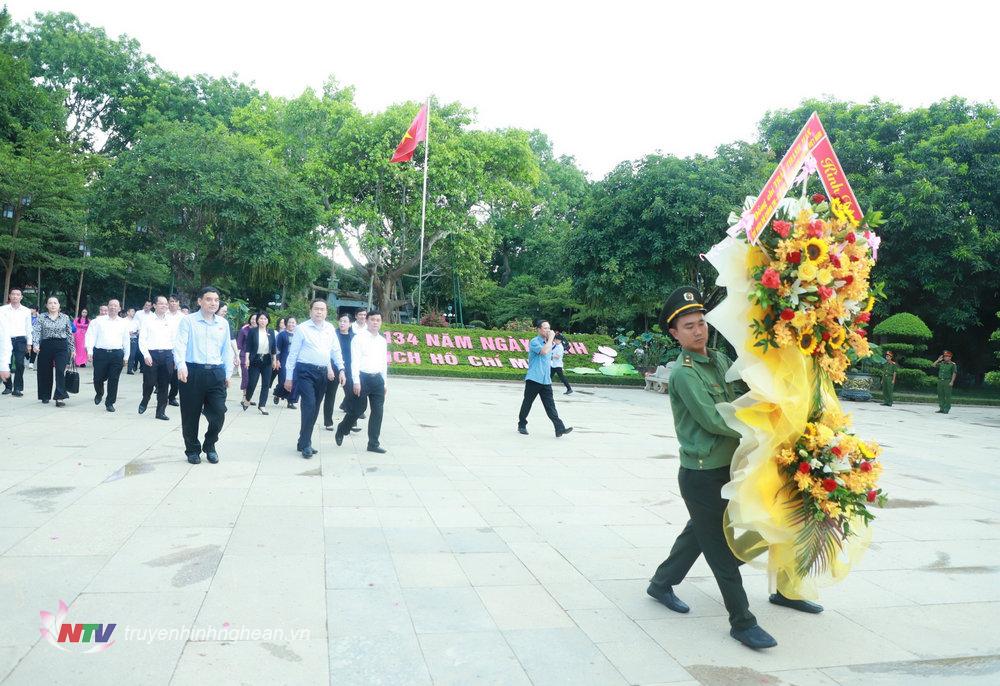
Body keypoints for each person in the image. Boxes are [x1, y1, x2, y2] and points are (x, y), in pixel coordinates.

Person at [646, 287, 821, 651]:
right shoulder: (684, 373)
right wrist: (764, 426)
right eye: (689, 326)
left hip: (734, 466)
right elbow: (715, 420)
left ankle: (661, 583)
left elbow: (747, 389)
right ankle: (742, 622)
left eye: (701, 323)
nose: (698, 331)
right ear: (675, 334)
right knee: (719, 549)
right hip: (701, 475)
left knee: (711, 530)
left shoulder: (721, 360)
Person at [174, 286, 232, 465]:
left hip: (216, 373)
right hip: (193, 372)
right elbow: (180, 345)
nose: (213, 303)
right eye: (208, 299)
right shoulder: (188, 321)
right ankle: (192, 449)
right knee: (190, 415)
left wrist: (228, 373)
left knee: (219, 412)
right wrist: (181, 365)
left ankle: (210, 444)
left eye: (216, 300)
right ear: (200, 301)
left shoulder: (223, 323)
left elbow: (226, 350)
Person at [285, 300, 344, 458]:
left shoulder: (330, 328)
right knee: (309, 406)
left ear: (326, 312)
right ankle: (306, 444)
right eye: (316, 309)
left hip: (322, 373)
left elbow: (335, 351)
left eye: (322, 309)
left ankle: (302, 441)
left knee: (316, 408)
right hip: (305, 372)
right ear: (310, 311)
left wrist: (342, 369)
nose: (319, 312)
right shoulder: (302, 328)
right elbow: (293, 354)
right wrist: (288, 378)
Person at [336, 309, 389, 453]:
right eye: (372, 320)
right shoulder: (358, 338)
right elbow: (355, 362)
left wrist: (384, 383)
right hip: (362, 378)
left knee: (378, 412)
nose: (375, 323)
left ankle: (373, 444)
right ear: (367, 321)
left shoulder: (382, 341)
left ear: (381, 322)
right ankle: (342, 428)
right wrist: (356, 381)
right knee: (358, 409)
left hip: (377, 379)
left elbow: (384, 363)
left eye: (378, 320)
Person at [517, 320, 572, 437]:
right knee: (527, 403)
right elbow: (544, 351)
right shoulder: (534, 342)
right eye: (545, 328)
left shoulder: (549, 342)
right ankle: (522, 424)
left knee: (550, 405)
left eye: (549, 328)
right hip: (534, 378)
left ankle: (559, 428)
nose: (548, 330)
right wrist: (551, 339)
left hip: (546, 380)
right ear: (539, 329)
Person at [85, 299, 130, 412]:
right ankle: (99, 392)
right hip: (101, 353)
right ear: (107, 307)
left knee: (114, 379)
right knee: (98, 378)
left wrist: (126, 357)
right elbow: (90, 336)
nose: (113, 307)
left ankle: (110, 402)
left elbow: (126, 340)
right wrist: (89, 351)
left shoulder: (123, 323)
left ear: (119, 309)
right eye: (111, 305)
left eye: (116, 306)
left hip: (117, 354)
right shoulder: (98, 321)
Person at [32, 296, 74, 407]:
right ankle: (45, 395)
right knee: (44, 371)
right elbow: (36, 331)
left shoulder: (65, 317)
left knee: (60, 370)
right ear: (46, 305)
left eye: (55, 303)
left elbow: (70, 334)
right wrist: (35, 344)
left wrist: (72, 349)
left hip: (61, 346)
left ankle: (60, 396)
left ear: (59, 305)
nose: (53, 305)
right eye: (50, 303)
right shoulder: (41, 317)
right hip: (46, 345)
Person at [138, 296, 174, 420]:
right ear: (154, 305)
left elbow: (175, 339)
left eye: (166, 304)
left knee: (164, 384)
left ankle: (160, 411)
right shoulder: (147, 320)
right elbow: (142, 339)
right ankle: (145, 400)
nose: (164, 306)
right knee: (149, 382)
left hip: (168, 354)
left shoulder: (170, 320)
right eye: (161, 304)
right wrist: (146, 355)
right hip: (152, 354)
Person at [242, 312, 278, 414]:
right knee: (252, 382)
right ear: (257, 320)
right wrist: (247, 359)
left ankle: (262, 405)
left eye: (265, 319)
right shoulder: (253, 331)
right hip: (255, 359)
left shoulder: (271, 331)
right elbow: (248, 346)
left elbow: (273, 347)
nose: (263, 321)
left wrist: (274, 360)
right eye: (261, 319)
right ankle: (247, 399)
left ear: (268, 320)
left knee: (266, 384)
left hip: (267, 360)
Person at [325, 313, 356, 431]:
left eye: (345, 321)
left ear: (350, 323)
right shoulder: (333, 335)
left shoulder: (354, 337)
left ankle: (351, 422)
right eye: (341, 321)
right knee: (330, 395)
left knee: (351, 395)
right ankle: (328, 422)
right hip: (333, 369)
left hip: (348, 370)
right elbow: (327, 352)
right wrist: (329, 369)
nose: (342, 323)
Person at [1, 288, 33, 397]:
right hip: (6, 339)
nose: (15, 296)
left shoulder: (26, 311)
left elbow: (29, 328)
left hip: (20, 339)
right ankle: (8, 386)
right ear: (9, 296)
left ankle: (18, 388)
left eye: (18, 294)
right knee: (6, 363)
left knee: (20, 364)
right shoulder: (2, 310)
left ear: (21, 297)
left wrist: (29, 343)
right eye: (13, 294)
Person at [273, 316, 298, 409]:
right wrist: (277, 360)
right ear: (286, 323)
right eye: (289, 322)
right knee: (284, 379)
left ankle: (291, 401)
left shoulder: (298, 334)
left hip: (295, 361)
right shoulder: (282, 335)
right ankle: (277, 393)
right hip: (284, 360)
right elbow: (277, 348)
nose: (291, 324)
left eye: (293, 322)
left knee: (294, 380)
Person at [165, 295, 184, 406]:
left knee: (176, 376)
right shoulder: (163, 315)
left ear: (178, 304)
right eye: (171, 301)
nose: (173, 303)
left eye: (175, 301)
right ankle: (162, 396)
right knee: (165, 375)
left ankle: (172, 397)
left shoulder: (183, 317)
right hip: (165, 348)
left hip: (178, 349)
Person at [236, 313, 257, 398]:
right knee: (246, 377)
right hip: (244, 356)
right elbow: (239, 344)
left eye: (256, 319)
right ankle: (245, 396)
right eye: (252, 319)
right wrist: (236, 356)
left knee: (253, 378)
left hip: (256, 357)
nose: (254, 321)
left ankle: (249, 397)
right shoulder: (244, 329)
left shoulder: (261, 330)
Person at [125, 307, 141, 374]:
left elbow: (139, 330)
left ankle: (130, 369)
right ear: (128, 312)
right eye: (132, 311)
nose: (133, 313)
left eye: (134, 312)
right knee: (124, 354)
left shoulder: (136, 321)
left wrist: (136, 333)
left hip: (133, 338)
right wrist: (127, 333)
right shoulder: (123, 320)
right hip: (125, 339)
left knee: (132, 355)